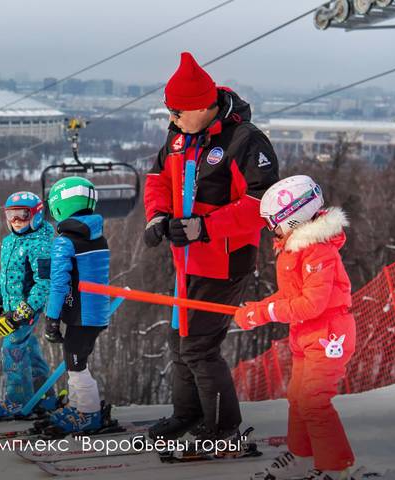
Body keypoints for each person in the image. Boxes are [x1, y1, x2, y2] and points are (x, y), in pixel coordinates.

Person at [143, 51, 280, 443]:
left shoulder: (245, 141)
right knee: (180, 341)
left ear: (204, 106)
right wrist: (157, 216)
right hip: (184, 259)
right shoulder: (179, 135)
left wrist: (205, 227)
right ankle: (187, 414)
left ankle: (223, 428)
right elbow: (158, 179)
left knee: (200, 346)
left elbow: (262, 203)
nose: (171, 119)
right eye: (169, 111)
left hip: (223, 261)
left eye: (177, 111)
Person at [237, 176, 356, 480]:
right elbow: (290, 297)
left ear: (292, 219)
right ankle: (303, 457)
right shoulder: (294, 249)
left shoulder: (318, 251)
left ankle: (335, 467)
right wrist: (256, 310)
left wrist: (267, 313)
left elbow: (311, 304)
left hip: (329, 333)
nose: (270, 229)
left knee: (314, 401)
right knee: (298, 399)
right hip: (306, 334)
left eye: (273, 222)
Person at [0, 191, 58, 421]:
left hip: (25, 310)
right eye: (10, 215)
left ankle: (18, 401)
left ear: (37, 215)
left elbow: (44, 284)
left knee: (12, 350)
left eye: (22, 215)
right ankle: (45, 396)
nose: (15, 221)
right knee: (29, 350)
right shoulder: (9, 241)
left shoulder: (40, 244)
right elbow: (4, 277)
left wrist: (22, 313)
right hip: (10, 307)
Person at [43, 176, 111, 434]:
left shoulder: (65, 242)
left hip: (80, 313)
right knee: (74, 360)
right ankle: (77, 406)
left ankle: (88, 413)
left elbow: (59, 283)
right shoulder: (98, 237)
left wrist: (52, 318)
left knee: (75, 364)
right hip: (95, 312)